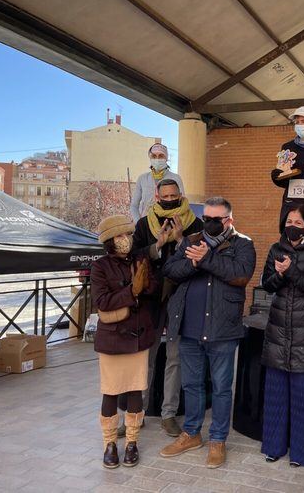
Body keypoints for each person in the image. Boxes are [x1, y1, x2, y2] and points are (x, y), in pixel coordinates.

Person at [159, 197, 256, 469]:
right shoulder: (191, 241)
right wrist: (192, 263)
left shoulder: (243, 244)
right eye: (207, 219)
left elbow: (240, 275)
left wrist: (206, 259)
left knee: (223, 388)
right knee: (191, 385)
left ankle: (217, 439)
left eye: (216, 220)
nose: (210, 224)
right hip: (189, 328)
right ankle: (191, 433)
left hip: (223, 330)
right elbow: (170, 271)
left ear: (229, 220)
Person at [131, 178, 204, 438]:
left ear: (181, 195)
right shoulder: (144, 224)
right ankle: (136, 414)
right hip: (151, 300)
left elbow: (202, 258)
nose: (171, 199)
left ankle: (169, 414)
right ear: (157, 197)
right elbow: (134, 255)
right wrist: (158, 245)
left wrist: (181, 238)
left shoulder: (195, 224)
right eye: (166, 196)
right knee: (145, 359)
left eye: (175, 195)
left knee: (175, 359)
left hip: (180, 298)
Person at [260, 206, 304, 467]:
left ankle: (301, 453)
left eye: (298, 221)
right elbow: (267, 284)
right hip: (278, 329)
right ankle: (273, 446)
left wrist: (290, 271)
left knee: (301, 396)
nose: (293, 224)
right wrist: (277, 274)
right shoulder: (276, 249)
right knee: (275, 393)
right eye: (289, 220)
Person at [91, 215, 157, 469]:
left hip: (139, 336)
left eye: (128, 235)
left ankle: (132, 442)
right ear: (109, 241)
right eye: (119, 237)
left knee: (135, 389)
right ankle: (109, 444)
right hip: (112, 339)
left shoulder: (140, 259)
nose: (125, 241)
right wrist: (132, 291)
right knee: (110, 391)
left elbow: (151, 291)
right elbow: (103, 302)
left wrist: (146, 280)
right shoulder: (100, 267)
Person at [130, 143, 185, 221]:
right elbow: (134, 206)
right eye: (154, 156)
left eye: (161, 156)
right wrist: (139, 223)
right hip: (146, 223)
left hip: (168, 224)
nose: (157, 159)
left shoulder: (175, 178)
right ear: (150, 158)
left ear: (166, 158)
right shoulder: (142, 179)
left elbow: (182, 204)